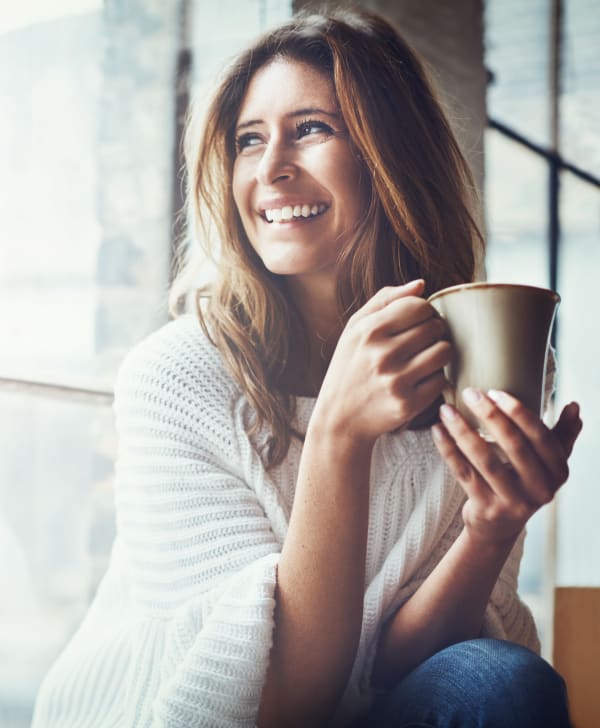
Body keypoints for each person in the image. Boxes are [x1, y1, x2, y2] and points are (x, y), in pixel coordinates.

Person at [33, 8, 582, 728]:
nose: (270, 168)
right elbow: (278, 706)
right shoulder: (176, 378)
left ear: (393, 157)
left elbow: (391, 671)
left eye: (313, 129)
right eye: (249, 140)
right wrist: (337, 436)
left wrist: (490, 526)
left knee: (501, 682)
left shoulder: (469, 369)